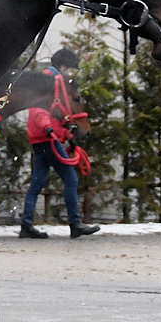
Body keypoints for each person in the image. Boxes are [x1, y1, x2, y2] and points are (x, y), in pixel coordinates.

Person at [20, 49, 100, 239]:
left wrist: (66, 134)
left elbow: (57, 113)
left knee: (37, 183)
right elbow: (39, 108)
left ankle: (26, 224)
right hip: (47, 138)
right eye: (70, 69)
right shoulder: (50, 81)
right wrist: (49, 129)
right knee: (71, 180)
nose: (70, 74)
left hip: (43, 138)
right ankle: (75, 223)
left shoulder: (56, 83)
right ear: (63, 67)